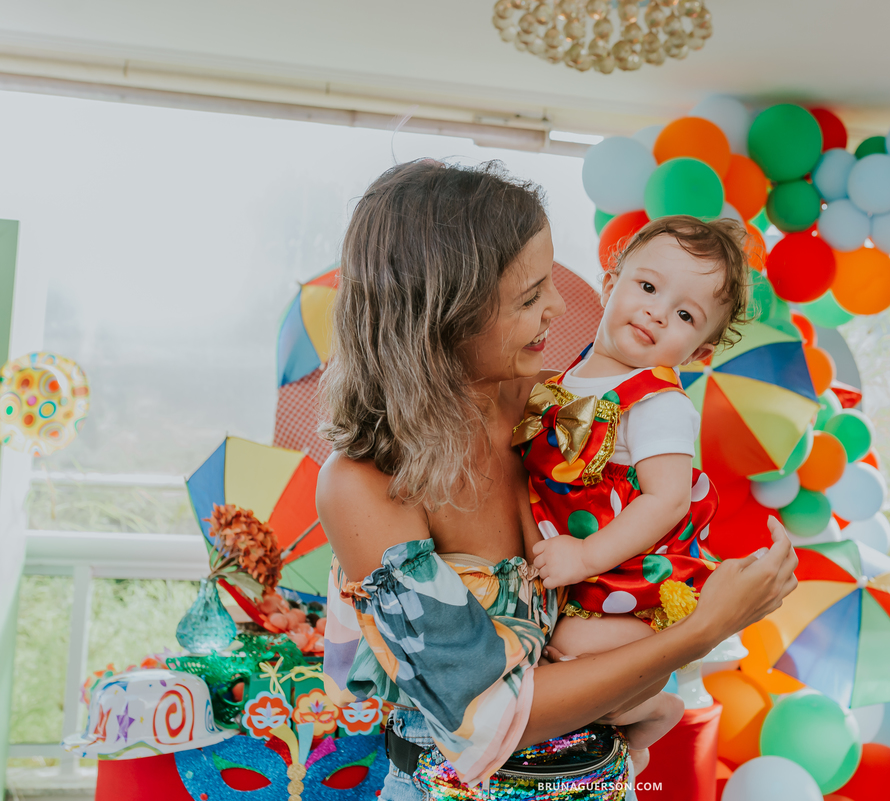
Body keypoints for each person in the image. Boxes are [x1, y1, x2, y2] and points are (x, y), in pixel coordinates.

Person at [316, 159, 797, 801]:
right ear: (447, 313)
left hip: (602, 781)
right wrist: (700, 632)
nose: (560, 306)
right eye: (529, 295)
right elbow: (484, 722)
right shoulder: (366, 484)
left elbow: (658, 512)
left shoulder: (561, 410)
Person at [516, 216, 750, 774]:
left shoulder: (657, 403)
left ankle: (649, 710)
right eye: (647, 287)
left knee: (568, 647)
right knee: (548, 648)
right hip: (568, 561)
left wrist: (584, 557)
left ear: (701, 349)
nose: (657, 312)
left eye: (685, 315)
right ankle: (621, 717)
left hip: (620, 576)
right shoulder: (566, 378)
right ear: (610, 282)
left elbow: (667, 500)